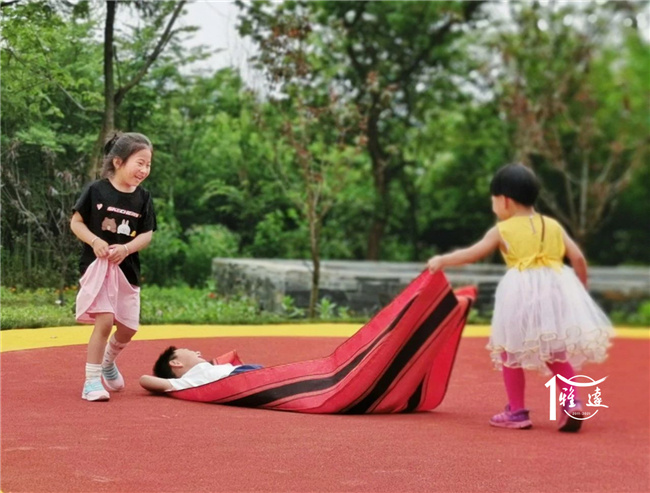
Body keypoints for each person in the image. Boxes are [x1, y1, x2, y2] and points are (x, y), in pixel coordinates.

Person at [427, 163, 613, 432]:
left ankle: (516, 411)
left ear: (505, 200)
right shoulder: (552, 225)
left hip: (520, 293)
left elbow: (473, 253)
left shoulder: (503, 229)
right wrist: (580, 291)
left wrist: (442, 260)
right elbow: (578, 259)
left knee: (510, 350)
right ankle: (571, 403)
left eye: (493, 201)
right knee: (556, 352)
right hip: (556, 290)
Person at [71, 132, 157, 402]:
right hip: (97, 267)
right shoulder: (96, 190)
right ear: (118, 162)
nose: (144, 170)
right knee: (105, 320)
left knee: (129, 328)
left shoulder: (143, 198)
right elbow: (76, 222)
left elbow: (147, 234)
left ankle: (108, 362)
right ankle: (91, 381)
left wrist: (127, 249)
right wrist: (95, 241)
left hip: (126, 270)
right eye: (139, 163)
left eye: (148, 164)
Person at [139, 346, 263, 392]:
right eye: (188, 350)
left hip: (248, 371)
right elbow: (144, 380)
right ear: (176, 363)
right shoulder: (188, 380)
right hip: (238, 377)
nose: (197, 352)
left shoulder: (210, 367)